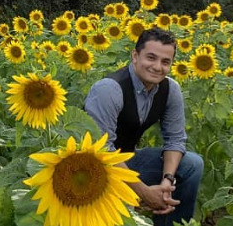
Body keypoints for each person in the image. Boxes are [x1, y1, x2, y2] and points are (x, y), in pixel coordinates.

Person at [85, 27, 203, 226]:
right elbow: (101, 151)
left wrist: (167, 181)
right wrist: (143, 191)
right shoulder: (109, 89)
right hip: (93, 170)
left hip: (128, 159)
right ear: (135, 55)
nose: (158, 67)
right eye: (151, 58)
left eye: (166, 62)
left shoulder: (170, 89)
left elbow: (175, 139)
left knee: (192, 164)